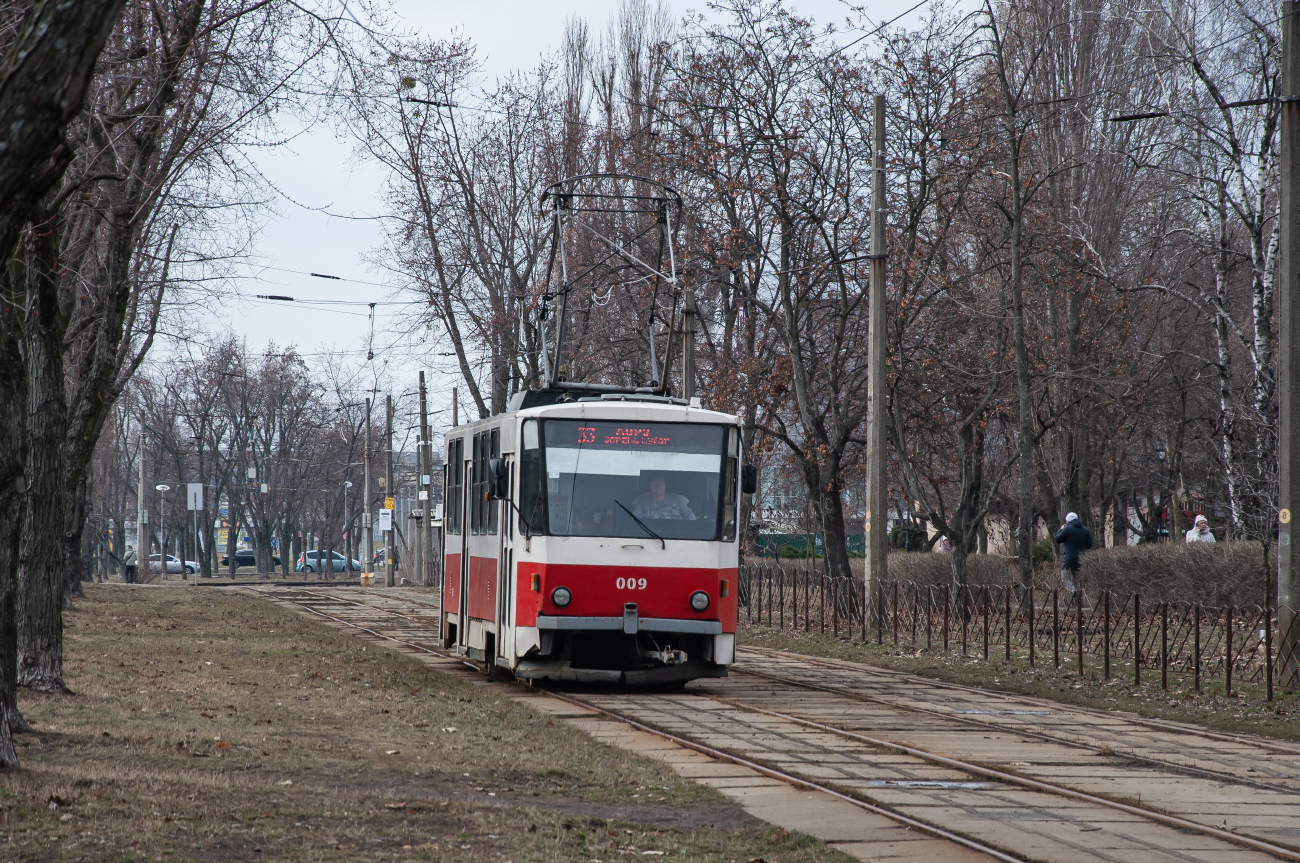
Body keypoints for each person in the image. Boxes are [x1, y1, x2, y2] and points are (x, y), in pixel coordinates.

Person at [1054, 512, 1092, 593]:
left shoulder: (1067, 529)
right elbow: (1089, 545)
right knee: (1076, 578)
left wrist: (1061, 529)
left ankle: (1073, 592)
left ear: (1067, 521)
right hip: (1081, 557)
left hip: (1069, 558)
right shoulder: (1085, 529)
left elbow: (1058, 539)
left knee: (1064, 576)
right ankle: (1078, 598)